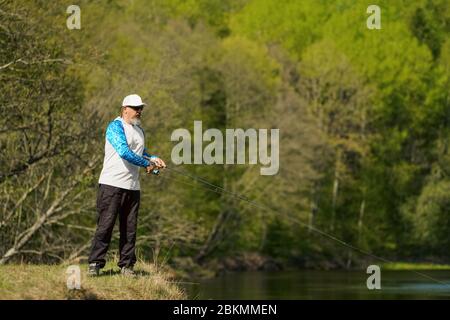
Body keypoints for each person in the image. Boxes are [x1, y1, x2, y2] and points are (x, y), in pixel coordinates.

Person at [87, 94, 166, 276]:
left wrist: (153, 161)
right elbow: (124, 151)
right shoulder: (115, 126)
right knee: (105, 226)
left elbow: (141, 152)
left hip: (133, 186)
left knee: (130, 229)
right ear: (125, 109)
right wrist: (147, 163)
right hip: (111, 184)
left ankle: (127, 266)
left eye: (141, 108)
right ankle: (95, 264)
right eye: (135, 108)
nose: (139, 111)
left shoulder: (139, 130)